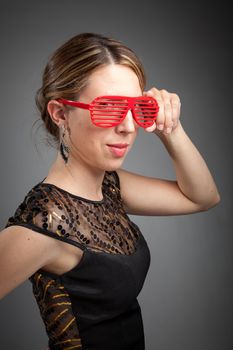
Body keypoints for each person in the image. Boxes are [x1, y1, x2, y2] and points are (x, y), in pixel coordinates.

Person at [0, 32, 220, 350]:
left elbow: (203, 197)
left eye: (137, 108)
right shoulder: (45, 223)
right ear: (61, 114)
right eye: (109, 108)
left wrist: (169, 127)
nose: (129, 126)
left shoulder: (110, 185)